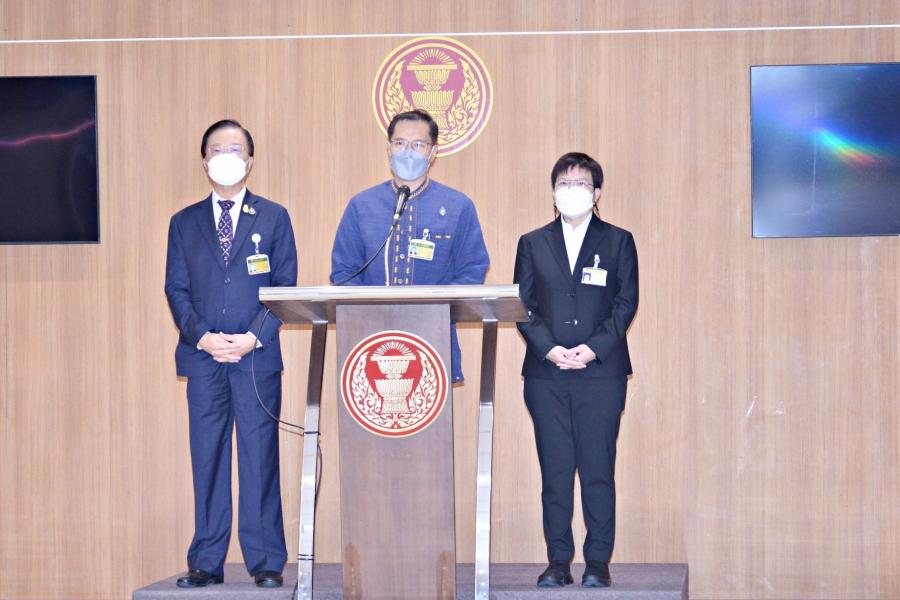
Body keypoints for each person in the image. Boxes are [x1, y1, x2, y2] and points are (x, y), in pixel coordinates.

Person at [164, 119, 297, 589]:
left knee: (260, 458)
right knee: (208, 458)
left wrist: (253, 337)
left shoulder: (274, 217)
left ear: (250, 161)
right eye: (217, 149)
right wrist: (202, 337)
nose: (226, 156)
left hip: (256, 358)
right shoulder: (184, 222)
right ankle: (206, 560)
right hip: (204, 359)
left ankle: (266, 561)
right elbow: (176, 289)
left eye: (235, 149)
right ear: (204, 161)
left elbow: (285, 286)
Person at [514, 152, 638, 588]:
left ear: (596, 193)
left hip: (600, 373)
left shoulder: (618, 241)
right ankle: (558, 561)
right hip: (546, 375)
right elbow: (522, 304)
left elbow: (625, 303)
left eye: (581, 184)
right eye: (564, 184)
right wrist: (549, 349)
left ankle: (598, 561)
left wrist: (593, 349)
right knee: (555, 472)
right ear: (553, 192)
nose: (572, 191)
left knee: (598, 470)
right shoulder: (532, 242)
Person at [330, 109, 489, 382]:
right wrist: (374, 310)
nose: (407, 152)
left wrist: (430, 309)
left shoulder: (457, 206)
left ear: (433, 152)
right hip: (369, 337)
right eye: (400, 143)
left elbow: (473, 270)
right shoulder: (362, 205)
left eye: (418, 145)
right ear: (388, 148)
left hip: (434, 337)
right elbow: (343, 272)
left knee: (431, 410)